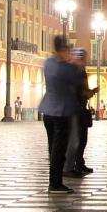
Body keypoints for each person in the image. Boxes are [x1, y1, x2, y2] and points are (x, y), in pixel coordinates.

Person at [40, 36, 79, 194]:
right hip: (61, 112)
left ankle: (54, 181)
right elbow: (77, 80)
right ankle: (55, 183)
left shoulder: (48, 63)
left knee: (52, 149)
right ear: (63, 50)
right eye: (68, 50)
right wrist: (75, 65)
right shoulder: (66, 68)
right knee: (59, 150)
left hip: (48, 111)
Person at [64, 49, 96, 177]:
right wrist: (92, 92)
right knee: (78, 139)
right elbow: (83, 92)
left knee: (80, 139)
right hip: (77, 108)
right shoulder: (78, 72)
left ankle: (78, 163)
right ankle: (72, 166)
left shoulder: (72, 71)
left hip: (75, 108)